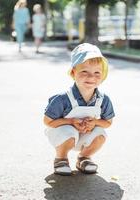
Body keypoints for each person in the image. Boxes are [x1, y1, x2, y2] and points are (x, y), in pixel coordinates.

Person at [43, 43, 115, 176]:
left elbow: (108, 122)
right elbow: (48, 122)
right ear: (73, 72)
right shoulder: (63, 98)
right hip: (62, 136)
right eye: (84, 72)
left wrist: (95, 122)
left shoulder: (103, 100)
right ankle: (61, 159)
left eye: (97, 73)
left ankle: (84, 158)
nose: (91, 77)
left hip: (84, 136)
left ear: (103, 75)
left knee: (101, 134)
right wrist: (70, 121)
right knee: (68, 132)